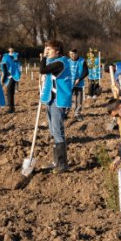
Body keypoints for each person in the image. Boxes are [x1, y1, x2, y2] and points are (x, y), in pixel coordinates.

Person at [39, 39, 73, 172]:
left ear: (57, 50)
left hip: (58, 100)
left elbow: (43, 70)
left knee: (58, 131)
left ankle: (62, 164)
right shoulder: (53, 61)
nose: (47, 51)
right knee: (53, 131)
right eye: (46, 48)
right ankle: (56, 161)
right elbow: (45, 74)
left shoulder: (61, 62)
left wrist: (43, 57)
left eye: (49, 49)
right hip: (50, 99)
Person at [68, 48, 88, 120]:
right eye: (70, 54)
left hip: (79, 82)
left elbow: (86, 72)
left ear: (77, 54)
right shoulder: (67, 61)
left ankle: (77, 113)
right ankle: (65, 112)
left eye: (73, 54)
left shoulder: (82, 61)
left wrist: (79, 79)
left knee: (79, 99)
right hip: (69, 83)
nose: (72, 56)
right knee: (68, 98)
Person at [1, 47, 21, 113]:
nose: (11, 49)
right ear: (8, 49)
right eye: (10, 48)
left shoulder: (16, 55)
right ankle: (11, 106)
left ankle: (11, 107)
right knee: (9, 92)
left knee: (9, 91)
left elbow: (17, 61)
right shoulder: (6, 56)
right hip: (8, 75)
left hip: (14, 74)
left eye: (12, 48)